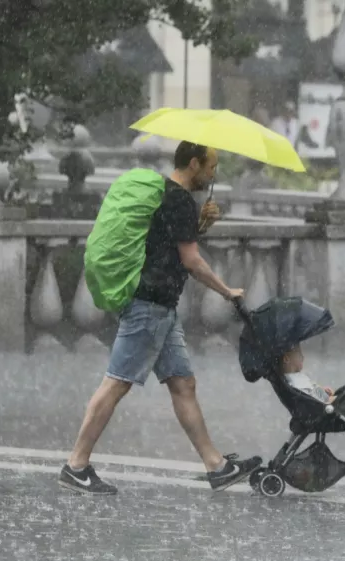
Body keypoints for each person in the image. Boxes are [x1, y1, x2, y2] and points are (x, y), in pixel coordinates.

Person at [59, 141, 262, 495]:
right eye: (212, 167)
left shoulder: (167, 196)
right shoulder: (179, 200)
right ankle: (76, 466)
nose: (214, 174)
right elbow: (191, 261)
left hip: (159, 306)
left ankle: (216, 466)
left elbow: (167, 246)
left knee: (183, 384)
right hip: (149, 306)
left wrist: (200, 225)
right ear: (194, 164)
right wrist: (226, 291)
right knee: (116, 383)